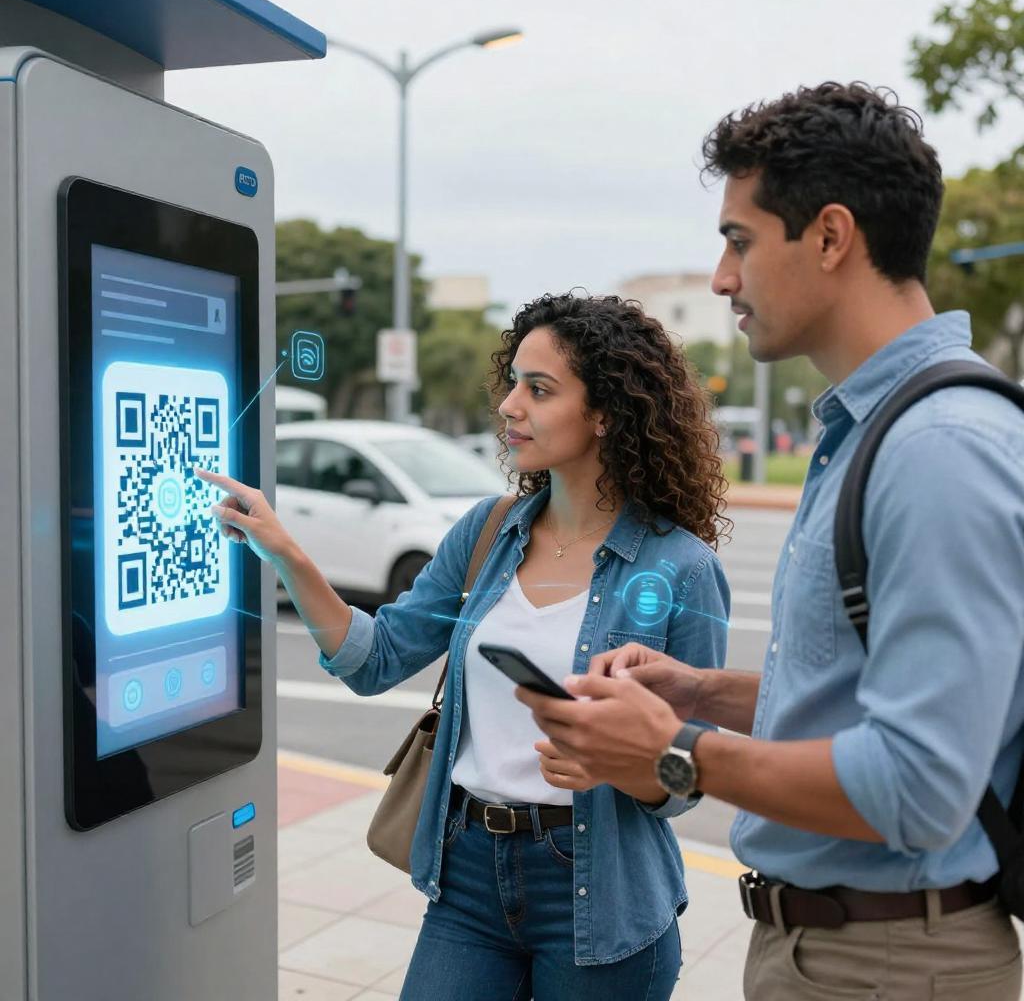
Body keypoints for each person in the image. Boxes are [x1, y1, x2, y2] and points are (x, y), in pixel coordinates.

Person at [517, 82, 1024, 1000]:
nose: (721, 277)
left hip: (891, 965)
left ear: (831, 238)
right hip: (838, 949)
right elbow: (865, 693)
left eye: (739, 240)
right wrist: (703, 691)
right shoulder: (875, 431)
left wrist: (675, 751)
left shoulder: (936, 449)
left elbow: (920, 785)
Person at [198, 292, 731, 999]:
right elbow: (376, 658)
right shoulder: (489, 531)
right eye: (512, 382)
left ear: (605, 413)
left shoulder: (683, 569)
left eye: (538, 389)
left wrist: (618, 763)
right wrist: (287, 553)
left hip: (601, 891)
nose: (510, 405)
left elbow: (688, 776)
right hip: (470, 874)